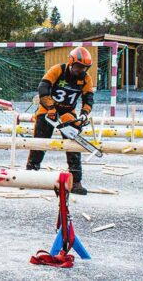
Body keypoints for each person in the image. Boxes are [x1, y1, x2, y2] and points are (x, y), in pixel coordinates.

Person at [26, 47, 93, 195]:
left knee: (73, 145)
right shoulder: (58, 70)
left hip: (68, 112)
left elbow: (88, 98)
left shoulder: (86, 78)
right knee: (40, 142)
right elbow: (43, 88)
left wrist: (84, 114)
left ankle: (76, 181)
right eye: (78, 67)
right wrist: (50, 107)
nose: (80, 70)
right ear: (71, 62)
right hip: (48, 109)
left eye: (84, 68)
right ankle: (30, 174)